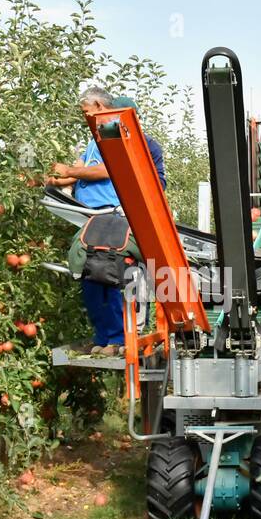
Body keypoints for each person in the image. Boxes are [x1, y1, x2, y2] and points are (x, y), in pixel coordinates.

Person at [49, 88, 166, 355]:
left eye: (88, 111)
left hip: (114, 216)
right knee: (86, 269)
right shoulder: (95, 140)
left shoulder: (128, 139)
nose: (86, 117)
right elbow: (78, 169)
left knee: (109, 270)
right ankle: (104, 336)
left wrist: (69, 171)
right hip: (91, 217)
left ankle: (119, 338)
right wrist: (55, 178)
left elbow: (110, 169)